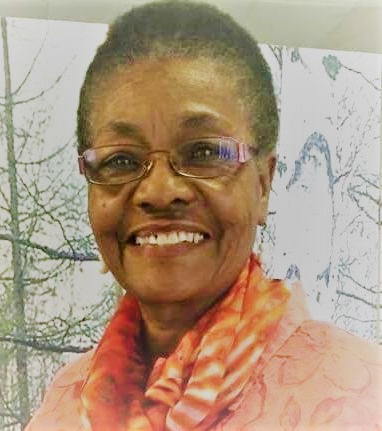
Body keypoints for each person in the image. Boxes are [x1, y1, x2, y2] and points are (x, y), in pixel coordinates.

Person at [25, 1, 382, 430]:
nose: (159, 192)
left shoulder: (356, 395)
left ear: (263, 184)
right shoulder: (65, 402)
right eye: (120, 160)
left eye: (204, 152)